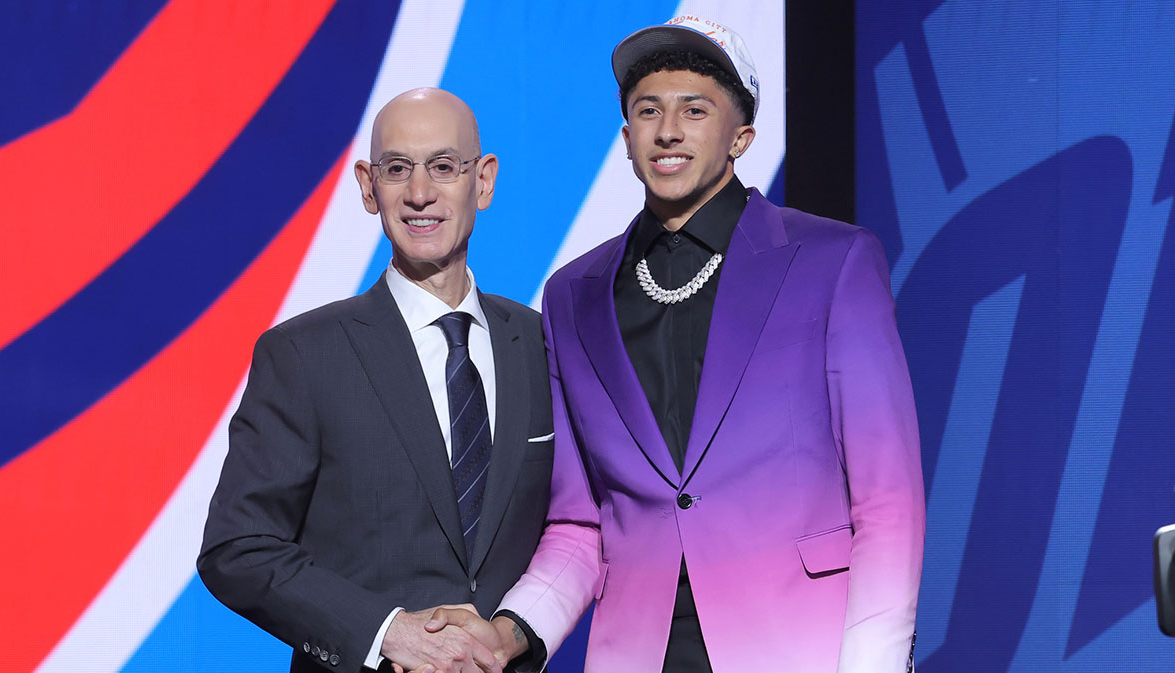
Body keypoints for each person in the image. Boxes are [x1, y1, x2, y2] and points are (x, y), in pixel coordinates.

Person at [426, 16, 926, 673]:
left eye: (695, 109)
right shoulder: (574, 293)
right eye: (647, 110)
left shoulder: (834, 262)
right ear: (627, 136)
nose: (667, 130)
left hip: (799, 646)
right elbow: (579, 526)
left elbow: (888, 501)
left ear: (741, 136)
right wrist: (508, 633)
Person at [198, 88, 554, 673]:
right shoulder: (303, 355)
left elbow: (579, 528)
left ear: (483, 182)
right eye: (397, 170)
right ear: (368, 187)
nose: (419, 193)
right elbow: (236, 548)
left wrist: (514, 633)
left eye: (444, 167)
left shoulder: (543, 345)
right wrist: (386, 633)